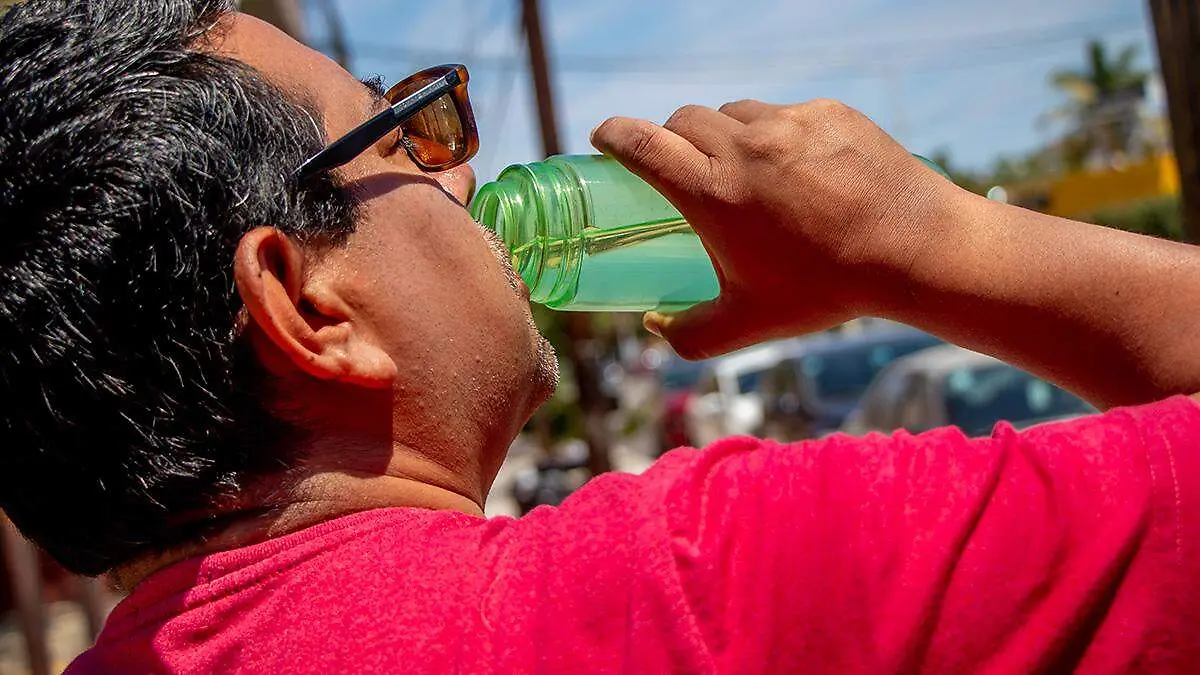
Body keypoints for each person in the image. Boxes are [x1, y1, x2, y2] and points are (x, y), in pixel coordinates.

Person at [0, 1, 1196, 672]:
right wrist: (938, 247)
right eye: (408, 137)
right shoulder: (701, 590)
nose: (466, 178)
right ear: (311, 308)